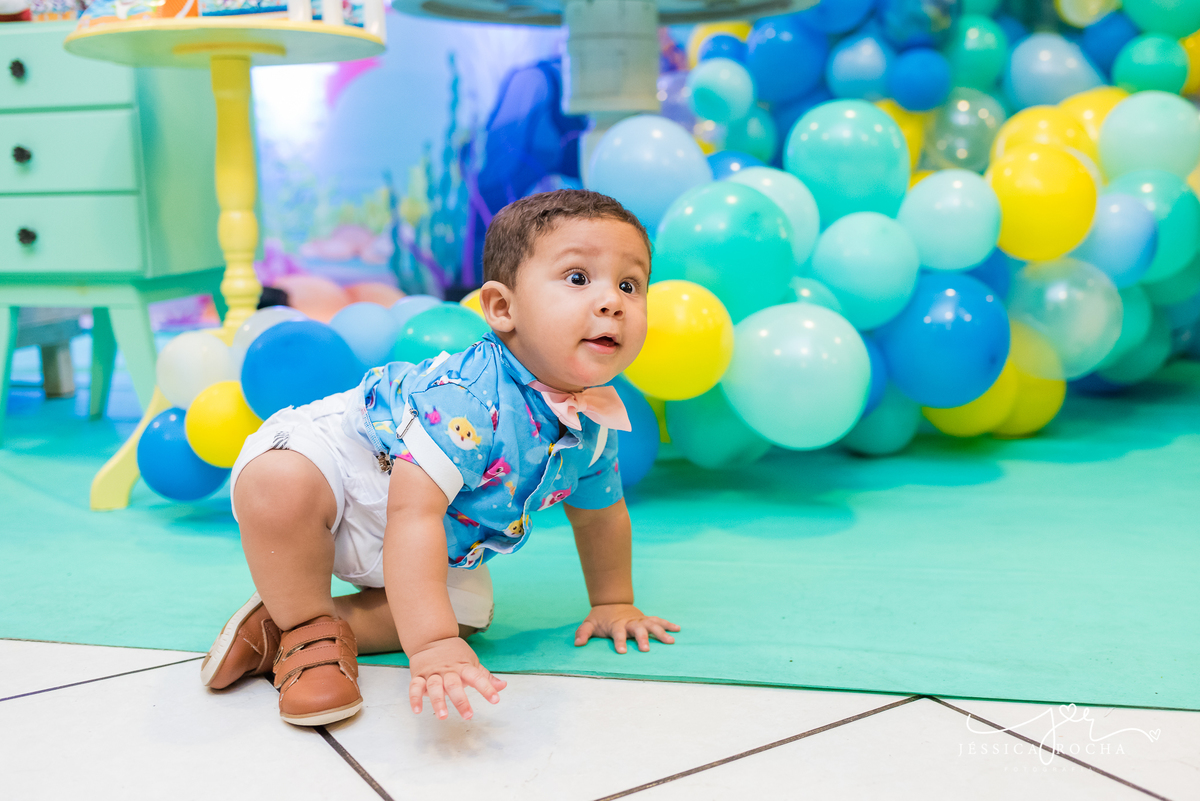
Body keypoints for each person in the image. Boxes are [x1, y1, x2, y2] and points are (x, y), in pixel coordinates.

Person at [199, 189, 681, 727]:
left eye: (629, 284)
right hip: (347, 474)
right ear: (502, 308)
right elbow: (413, 513)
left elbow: (602, 515)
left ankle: (279, 626)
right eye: (577, 278)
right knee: (279, 483)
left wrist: (612, 601)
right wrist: (430, 646)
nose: (612, 301)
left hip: (422, 537)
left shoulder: (594, 419)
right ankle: (309, 635)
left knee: (469, 613)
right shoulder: (470, 396)